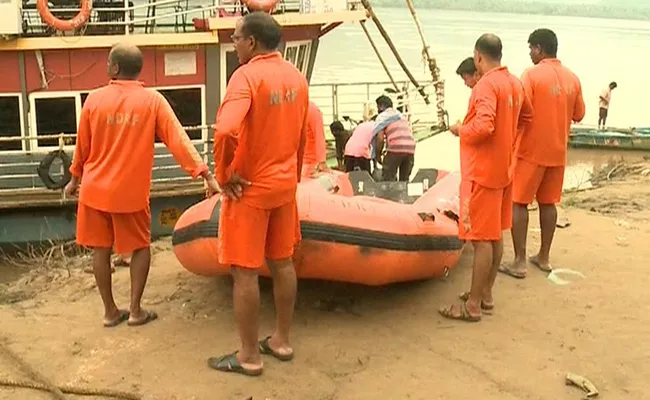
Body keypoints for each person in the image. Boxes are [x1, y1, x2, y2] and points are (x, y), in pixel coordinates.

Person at [64, 43, 219, 328]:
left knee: (100, 249)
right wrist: (205, 174)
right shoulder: (152, 100)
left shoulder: (94, 100)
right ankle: (135, 311)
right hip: (129, 193)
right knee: (139, 247)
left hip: (94, 190)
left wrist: (74, 179)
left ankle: (110, 312)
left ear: (114, 67)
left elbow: (82, 146)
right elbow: (178, 140)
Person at [208, 11, 309, 376]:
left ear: (251, 41)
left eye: (236, 38)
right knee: (282, 262)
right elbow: (301, 134)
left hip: (250, 189)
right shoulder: (297, 76)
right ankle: (281, 340)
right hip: (284, 186)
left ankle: (249, 356)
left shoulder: (246, 76)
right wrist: (293, 177)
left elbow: (224, 131)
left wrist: (225, 174)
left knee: (245, 272)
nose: (233, 44)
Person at [441, 33, 533, 322]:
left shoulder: (485, 86)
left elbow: (483, 126)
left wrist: (459, 129)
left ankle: (473, 306)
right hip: (504, 171)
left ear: (478, 56)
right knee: (495, 235)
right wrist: (510, 141)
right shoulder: (515, 83)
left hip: (482, 173)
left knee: (481, 240)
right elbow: (527, 118)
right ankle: (486, 294)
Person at [499, 29, 585, 279]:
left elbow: (518, 110)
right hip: (558, 151)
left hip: (530, 150)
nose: (529, 54)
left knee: (519, 202)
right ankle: (544, 257)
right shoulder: (573, 78)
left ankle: (519, 261)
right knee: (549, 203)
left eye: (530, 49)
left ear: (539, 49)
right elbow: (579, 114)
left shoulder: (531, 75)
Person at [373, 95, 416, 182]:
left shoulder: (382, 116)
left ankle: (388, 195)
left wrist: (377, 155)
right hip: (410, 149)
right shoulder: (400, 115)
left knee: (388, 180)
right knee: (404, 181)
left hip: (396, 148)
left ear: (381, 106)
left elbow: (380, 138)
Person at [302, 101, 329, 177]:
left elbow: (319, 136)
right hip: (304, 164)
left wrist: (322, 161)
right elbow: (319, 135)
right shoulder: (311, 110)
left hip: (306, 164)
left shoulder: (311, 110)